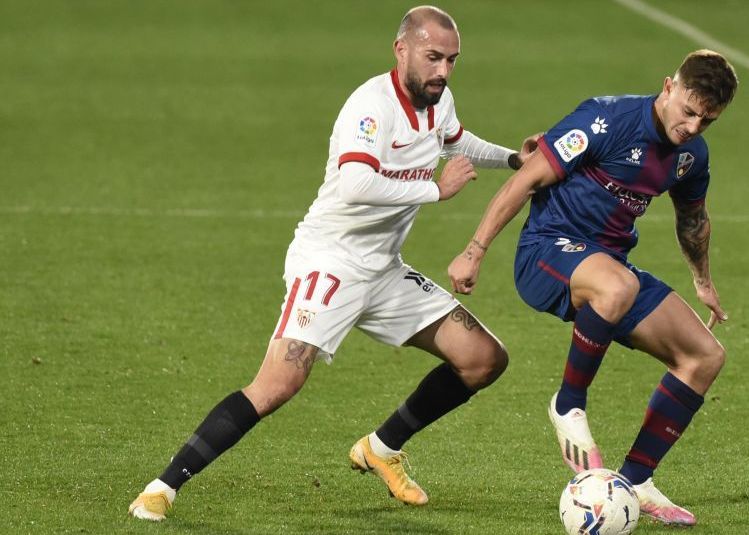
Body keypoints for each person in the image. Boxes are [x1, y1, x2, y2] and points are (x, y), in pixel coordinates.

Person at [129, 5, 537, 521]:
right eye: (434, 58)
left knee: (483, 359)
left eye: (452, 61)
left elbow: (456, 141)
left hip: (384, 269)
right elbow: (356, 183)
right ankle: (162, 487)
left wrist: (512, 160)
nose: (443, 71)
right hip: (332, 260)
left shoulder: (439, 99)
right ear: (402, 49)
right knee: (278, 384)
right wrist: (437, 188)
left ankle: (382, 448)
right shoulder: (370, 107)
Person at [448, 49, 738, 526]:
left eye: (706, 121)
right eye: (688, 111)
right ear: (668, 86)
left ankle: (637, 479)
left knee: (705, 355)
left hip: (609, 270)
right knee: (617, 285)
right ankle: (568, 405)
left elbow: (693, 221)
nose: (691, 127)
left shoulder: (690, 156)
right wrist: (474, 251)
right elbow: (527, 179)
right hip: (545, 254)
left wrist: (703, 283)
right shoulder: (606, 119)